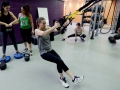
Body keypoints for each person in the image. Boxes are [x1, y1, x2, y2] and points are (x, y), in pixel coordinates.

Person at [35, 17, 84, 88]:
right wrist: (53, 26)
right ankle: (73, 78)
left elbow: (57, 30)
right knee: (59, 61)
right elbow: (44, 33)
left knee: (60, 62)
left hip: (50, 50)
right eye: (43, 23)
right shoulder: (37, 30)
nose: (45, 24)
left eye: (45, 23)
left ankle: (62, 78)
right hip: (44, 53)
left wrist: (62, 26)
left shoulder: (47, 28)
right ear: (39, 23)